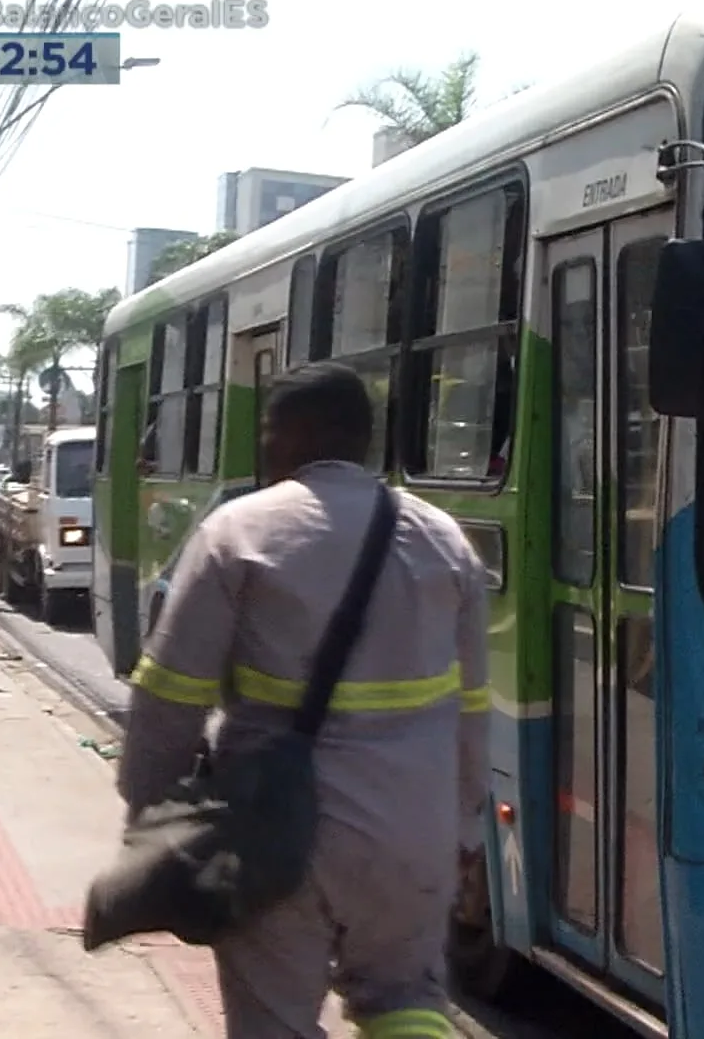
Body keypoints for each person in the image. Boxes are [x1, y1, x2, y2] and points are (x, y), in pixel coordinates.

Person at [114, 362, 492, 1039]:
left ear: (295, 434)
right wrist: (464, 831)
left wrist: (151, 815)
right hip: (415, 837)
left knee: (273, 1020)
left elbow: (168, 698)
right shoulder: (444, 539)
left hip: (280, 837)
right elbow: (471, 709)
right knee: (405, 1001)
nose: (263, 446)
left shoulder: (239, 532)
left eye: (267, 429)